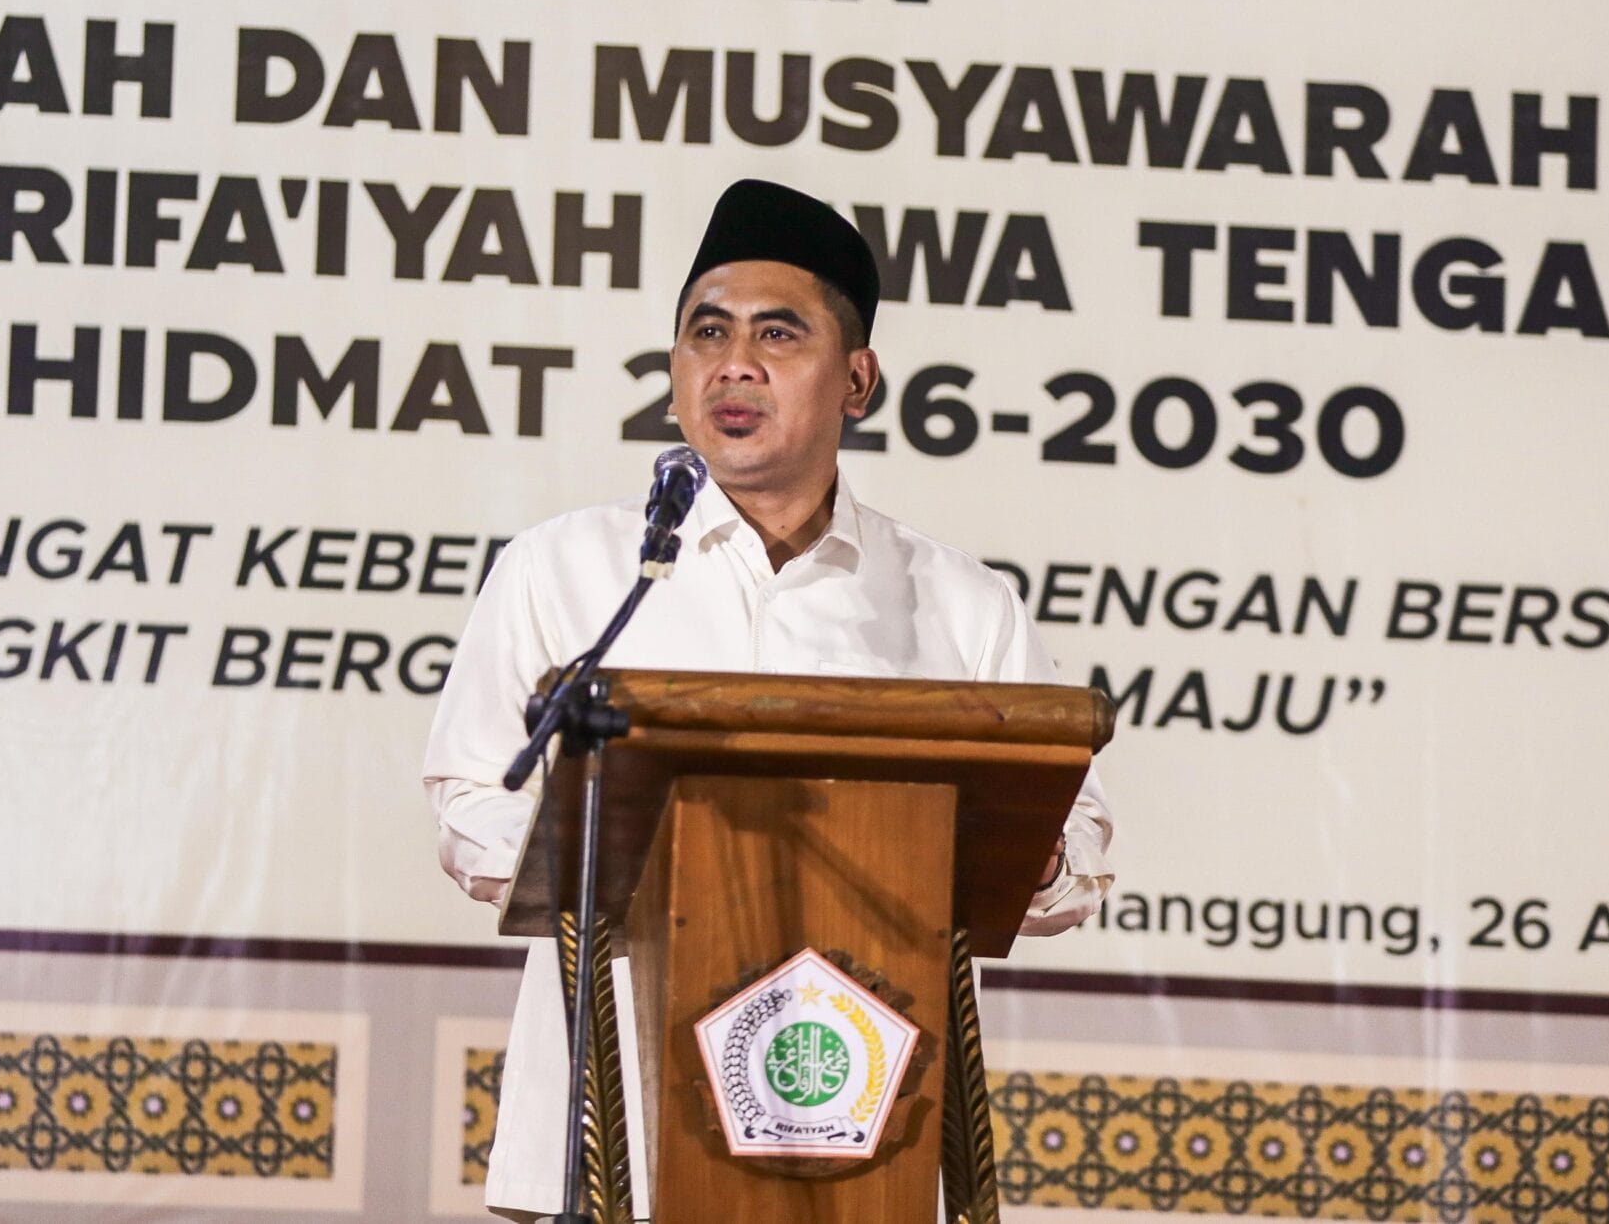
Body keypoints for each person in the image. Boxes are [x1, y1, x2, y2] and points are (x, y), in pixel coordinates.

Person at [422, 178, 1117, 1222]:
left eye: (777, 334)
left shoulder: (959, 605)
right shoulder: (569, 570)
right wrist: (641, 861)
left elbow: (1077, 852)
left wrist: (1010, 849)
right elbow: (470, 801)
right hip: (611, 1136)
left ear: (857, 379)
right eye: (707, 332)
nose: (733, 363)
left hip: (868, 1139)